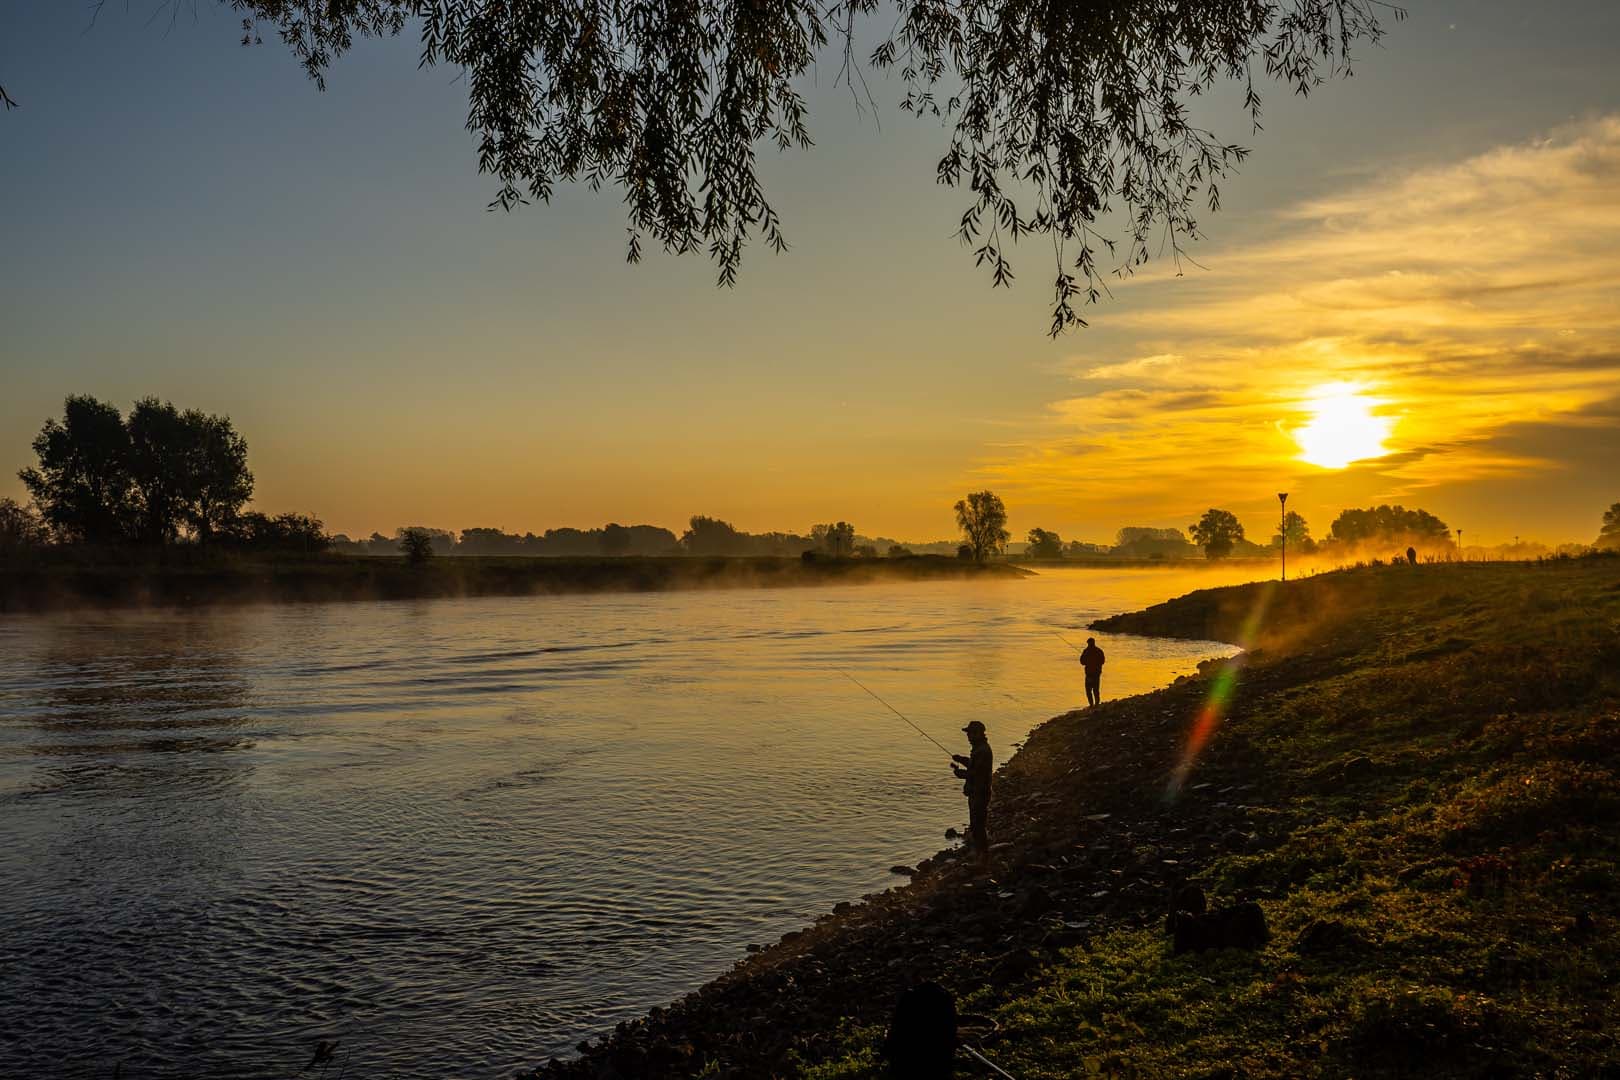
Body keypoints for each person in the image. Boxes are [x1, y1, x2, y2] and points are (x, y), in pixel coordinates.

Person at [951, 721, 993, 859]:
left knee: (977, 826)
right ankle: (981, 855)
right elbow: (973, 765)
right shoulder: (979, 749)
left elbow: (976, 773)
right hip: (976, 792)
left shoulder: (983, 750)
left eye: (970, 733)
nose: (968, 736)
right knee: (976, 825)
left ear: (978, 734)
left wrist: (961, 774)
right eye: (968, 733)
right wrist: (961, 759)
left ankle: (983, 857)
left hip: (980, 793)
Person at [1079, 636, 1106, 706]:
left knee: (1088, 690)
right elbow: (1102, 661)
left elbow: (1082, 662)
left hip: (1089, 674)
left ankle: (1092, 704)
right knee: (1095, 689)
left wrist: (1087, 662)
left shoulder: (1086, 651)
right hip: (1096, 673)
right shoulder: (1099, 651)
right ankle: (1096, 704)